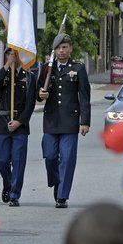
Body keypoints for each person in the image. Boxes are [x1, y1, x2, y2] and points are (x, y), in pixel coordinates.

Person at [37, 34, 91, 208]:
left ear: (70, 48)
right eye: (59, 47)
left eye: (65, 47)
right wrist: (41, 94)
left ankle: (62, 196)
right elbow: (37, 93)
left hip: (69, 121)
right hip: (51, 120)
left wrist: (85, 121)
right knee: (50, 157)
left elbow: (84, 96)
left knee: (67, 159)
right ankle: (57, 181)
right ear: (54, 50)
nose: (62, 50)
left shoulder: (78, 68)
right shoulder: (47, 68)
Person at [0, 49, 36, 207]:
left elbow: (31, 104)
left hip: (20, 123)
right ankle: (8, 183)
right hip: (3, 121)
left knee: (18, 161)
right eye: (9, 53)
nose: (12, 56)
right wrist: (7, 65)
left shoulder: (29, 76)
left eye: (15, 53)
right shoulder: (2, 72)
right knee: (2, 160)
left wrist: (20, 122)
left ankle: (14, 194)